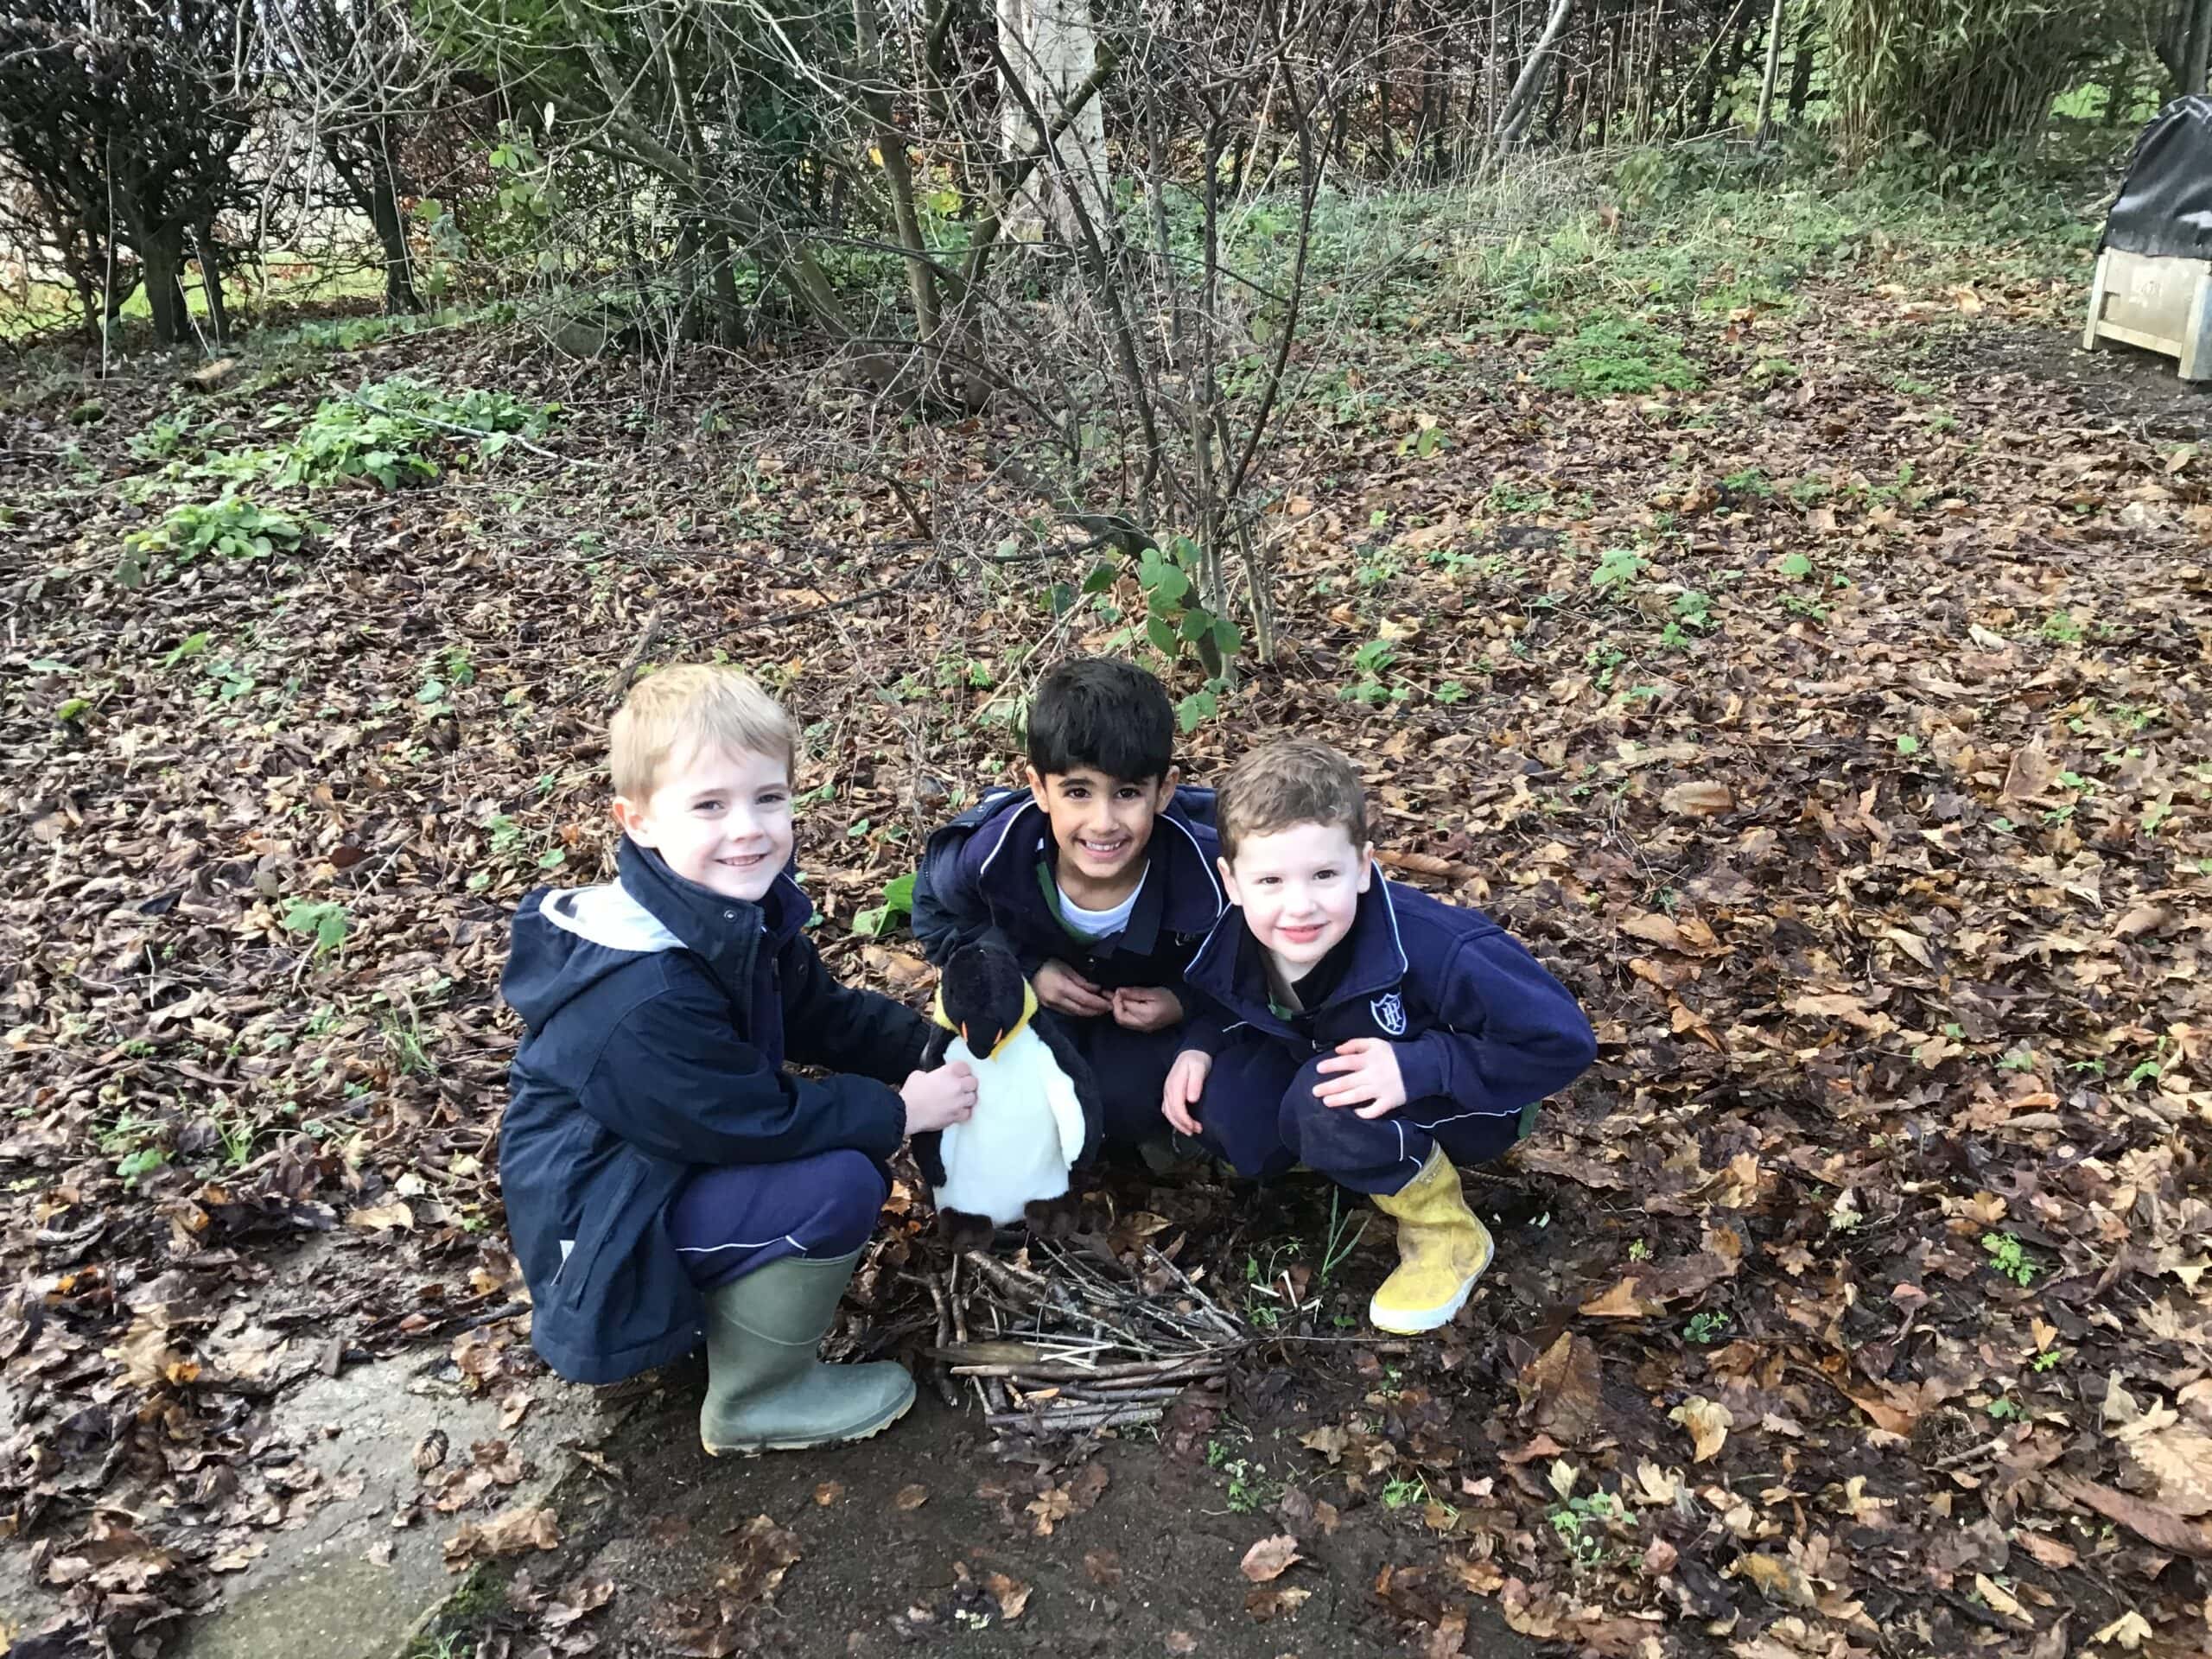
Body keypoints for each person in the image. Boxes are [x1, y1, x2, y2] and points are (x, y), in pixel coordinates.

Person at [499, 664, 977, 1452]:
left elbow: (818, 1014)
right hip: (603, 1229)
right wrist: (900, 1111)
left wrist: (938, 1047)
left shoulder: (728, 913)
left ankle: (722, 1315)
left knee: (830, 1159)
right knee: (840, 1183)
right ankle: (759, 1399)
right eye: (710, 806)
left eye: (768, 798)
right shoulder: (641, 989)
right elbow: (746, 1121)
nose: (749, 829)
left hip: (654, 1173)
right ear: (639, 821)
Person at [1162, 738, 1595, 1334]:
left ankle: (1445, 1231)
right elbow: (1225, 1002)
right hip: (1334, 1068)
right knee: (1233, 1114)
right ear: (1232, 882)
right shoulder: (1239, 935)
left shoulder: (1439, 946)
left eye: (1324, 874)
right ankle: (1352, 1158)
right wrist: (1199, 1045)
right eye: (1270, 881)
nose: (1299, 906)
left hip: (1467, 1099)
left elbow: (1564, 1040)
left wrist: (1423, 1066)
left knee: (1326, 1102)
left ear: (1364, 868)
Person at [912, 657, 1224, 1150]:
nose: (1103, 822)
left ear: (1164, 791)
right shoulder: (995, 852)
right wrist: (1028, 969)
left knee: (1126, 1107)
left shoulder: (1208, 870)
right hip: (1038, 1005)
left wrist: (1182, 1002)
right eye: (1077, 792)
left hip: (1141, 1024)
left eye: (1126, 793)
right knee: (999, 1094)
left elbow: (1253, 962)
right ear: (1038, 787)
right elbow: (935, 913)